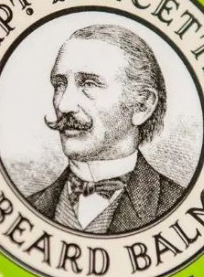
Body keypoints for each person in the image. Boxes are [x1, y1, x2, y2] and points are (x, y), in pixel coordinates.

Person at [27, 24, 184, 234]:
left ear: (142, 105)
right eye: (59, 85)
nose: (64, 105)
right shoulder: (30, 206)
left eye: (89, 84)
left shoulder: (178, 206)